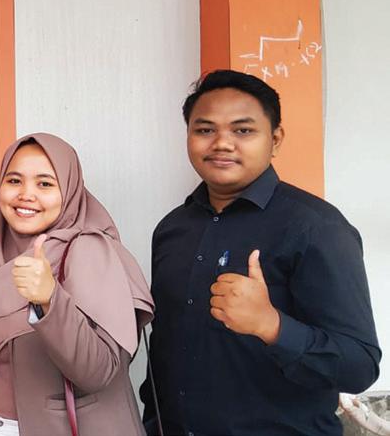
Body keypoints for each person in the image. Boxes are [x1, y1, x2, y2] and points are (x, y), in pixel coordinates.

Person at [142, 70, 381, 435]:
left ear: (275, 139)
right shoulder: (173, 229)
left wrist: (272, 326)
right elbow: (165, 345)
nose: (222, 143)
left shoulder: (316, 228)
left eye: (243, 130)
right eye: (205, 129)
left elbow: (359, 366)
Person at [0, 133, 153, 436]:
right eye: (14, 181)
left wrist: (50, 299)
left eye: (45, 184)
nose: (26, 194)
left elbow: (99, 372)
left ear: (70, 190)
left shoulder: (89, 252)